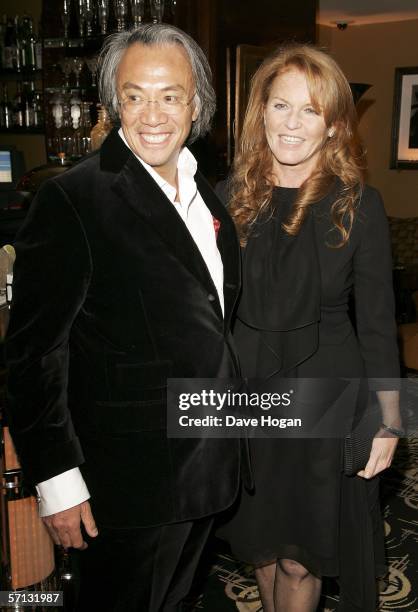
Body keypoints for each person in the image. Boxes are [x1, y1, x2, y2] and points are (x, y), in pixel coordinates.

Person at [5, 24, 244, 612]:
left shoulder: (204, 192)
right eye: (135, 95)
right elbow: (32, 356)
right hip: (124, 486)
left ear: (197, 103)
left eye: (171, 95)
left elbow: (209, 324)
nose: (153, 114)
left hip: (204, 466)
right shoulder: (72, 199)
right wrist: (57, 484)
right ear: (114, 105)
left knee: (177, 600)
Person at [217, 44, 402, 612]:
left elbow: (376, 325)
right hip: (246, 395)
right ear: (261, 113)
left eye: (310, 111)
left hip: (325, 398)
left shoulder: (358, 205)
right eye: (280, 105)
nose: (291, 124)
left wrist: (390, 423)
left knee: (301, 555)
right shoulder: (228, 199)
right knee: (262, 548)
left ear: (333, 125)